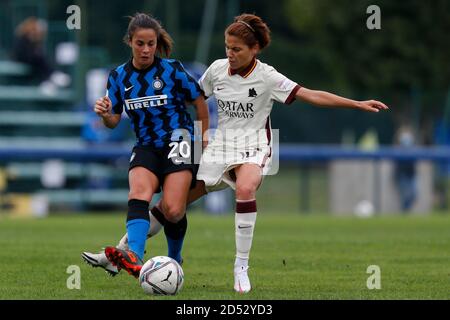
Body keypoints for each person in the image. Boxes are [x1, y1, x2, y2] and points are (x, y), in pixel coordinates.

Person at [84, 13, 388, 292]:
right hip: (220, 146)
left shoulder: (268, 76)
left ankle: (241, 266)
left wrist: (357, 103)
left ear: (253, 49)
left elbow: (310, 94)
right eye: (227, 47)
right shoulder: (217, 70)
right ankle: (122, 253)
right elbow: (192, 96)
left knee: (245, 188)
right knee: (171, 209)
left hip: (254, 145)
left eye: (236, 49)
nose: (229, 53)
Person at [81, 12, 209, 278]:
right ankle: (135, 256)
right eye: (140, 43)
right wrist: (105, 114)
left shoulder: (172, 69)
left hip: (179, 141)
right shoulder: (118, 76)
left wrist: (203, 135)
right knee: (138, 193)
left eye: (151, 43)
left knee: (173, 210)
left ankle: (174, 260)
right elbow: (114, 121)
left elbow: (199, 99)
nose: (146, 49)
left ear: (156, 42)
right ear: (130, 42)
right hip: (146, 145)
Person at [11, 17, 71, 91]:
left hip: (31, 65)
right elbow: (23, 55)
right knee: (39, 60)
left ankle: (49, 78)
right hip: (22, 65)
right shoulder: (22, 40)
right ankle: (49, 78)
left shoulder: (33, 41)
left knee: (40, 59)